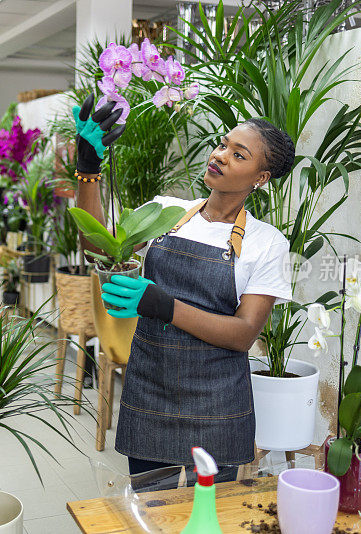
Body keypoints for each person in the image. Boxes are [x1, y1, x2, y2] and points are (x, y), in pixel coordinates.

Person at [73, 95, 294, 475]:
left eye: (239, 155)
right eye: (223, 144)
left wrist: (163, 305)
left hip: (218, 404)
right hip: (149, 391)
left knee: (207, 518)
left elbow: (243, 335)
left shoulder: (267, 242)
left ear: (261, 179)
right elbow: (96, 246)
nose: (221, 155)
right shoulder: (167, 212)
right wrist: (88, 170)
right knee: (149, 512)